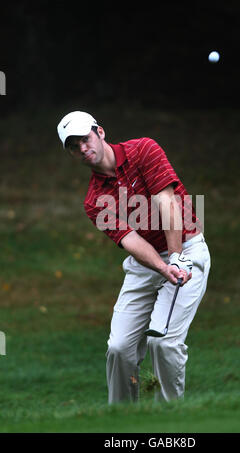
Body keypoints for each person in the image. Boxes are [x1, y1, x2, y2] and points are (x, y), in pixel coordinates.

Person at [57, 111, 211, 403]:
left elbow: (168, 201)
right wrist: (163, 267)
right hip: (145, 265)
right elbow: (131, 240)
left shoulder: (143, 150)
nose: (82, 149)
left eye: (84, 139)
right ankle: (122, 421)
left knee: (163, 342)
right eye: (73, 146)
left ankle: (169, 420)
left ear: (100, 132)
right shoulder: (93, 201)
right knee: (119, 348)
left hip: (187, 250)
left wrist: (176, 258)